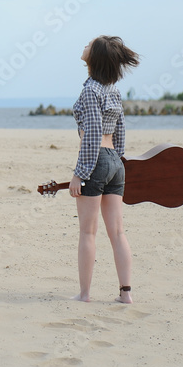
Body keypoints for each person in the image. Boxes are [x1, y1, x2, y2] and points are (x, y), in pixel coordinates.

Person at [69, 35, 140, 304]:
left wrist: (80, 173)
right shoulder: (113, 91)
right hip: (114, 161)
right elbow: (120, 129)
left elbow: (92, 133)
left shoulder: (90, 90)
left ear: (95, 56)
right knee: (118, 232)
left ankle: (85, 294)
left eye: (89, 43)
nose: (84, 44)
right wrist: (119, 160)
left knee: (88, 232)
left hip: (96, 159)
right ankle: (126, 294)